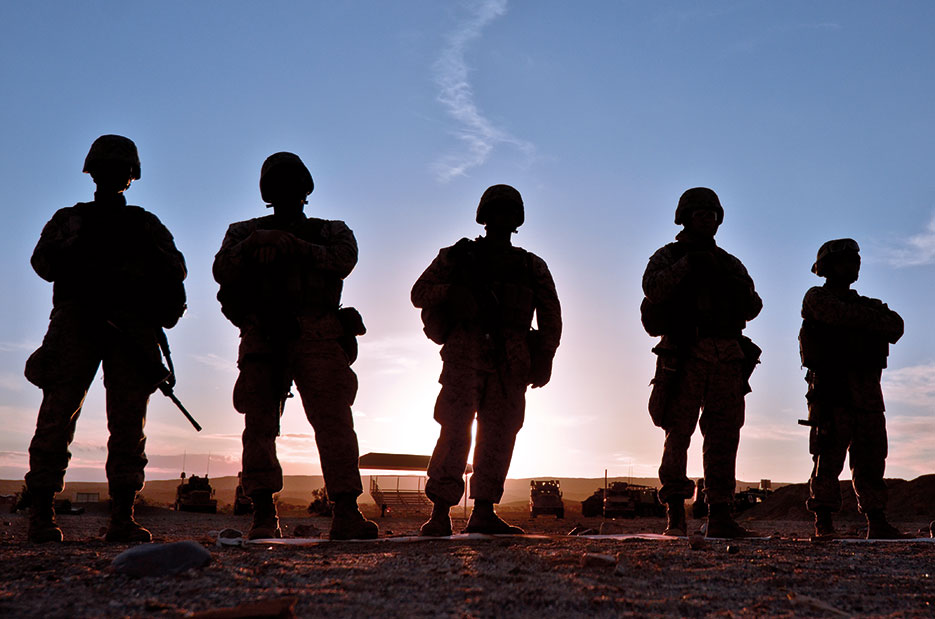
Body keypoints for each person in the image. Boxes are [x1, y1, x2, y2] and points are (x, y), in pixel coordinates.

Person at [24, 135, 187, 543]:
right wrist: (81, 258)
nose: (114, 176)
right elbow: (43, 262)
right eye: (108, 168)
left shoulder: (144, 225)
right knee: (58, 416)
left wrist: (135, 281)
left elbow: (175, 272)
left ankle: (120, 516)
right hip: (78, 320)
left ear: (129, 176)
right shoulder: (71, 220)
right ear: (95, 172)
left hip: (129, 328)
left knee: (127, 423)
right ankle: (43, 512)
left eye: (120, 169)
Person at [213, 152, 377, 541]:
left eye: (293, 185)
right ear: (268, 193)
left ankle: (346, 511)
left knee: (334, 422)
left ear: (306, 190)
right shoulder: (243, 233)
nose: (287, 192)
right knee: (259, 427)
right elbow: (222, 270)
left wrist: (289, 245)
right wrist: (258, 242)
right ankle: (263, 515)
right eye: (278, 186)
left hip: (317, 331)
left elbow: (343, 261)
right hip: (263, 333)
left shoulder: (331, 231)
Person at [412, 184, 562, 536]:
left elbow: (551, 317)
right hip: (466, 352)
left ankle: (482, 511)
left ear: (518, 219)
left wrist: (545, 356)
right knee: (455, 431)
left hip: (512, 360)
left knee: (499, 435)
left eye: (510, 212)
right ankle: (440, 512)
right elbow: (419, 293)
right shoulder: (458, 256)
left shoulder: (531, 265)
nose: (503, 219)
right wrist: (454, 292)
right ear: (483, 215)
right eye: (497, 211)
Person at [641, 187, 762, 538]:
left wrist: (726, 281)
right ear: (685, 217)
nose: (708, 219)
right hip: (684, 353)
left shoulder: (729, 263)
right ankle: (675, 514)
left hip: (727, 355)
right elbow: (653, 289)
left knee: (724, 435)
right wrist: (689, 265)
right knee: (678, 432)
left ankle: (720, 513)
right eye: (701, 213)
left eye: (713, 214)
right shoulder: (668, 256)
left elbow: (753, 306)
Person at [799, 238, 908, 540]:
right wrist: (866, 324)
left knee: (872, 458)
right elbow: (836, 314)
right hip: (832, 390)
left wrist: (859, 322)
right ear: (828, 268)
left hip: (868, 392)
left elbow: (895, 326)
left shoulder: (867, 304)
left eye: (855, 260)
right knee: (828, 458)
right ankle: (824, 521)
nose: (854, 265)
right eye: (846, 260)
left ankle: (877, 520)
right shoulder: (816, 298)